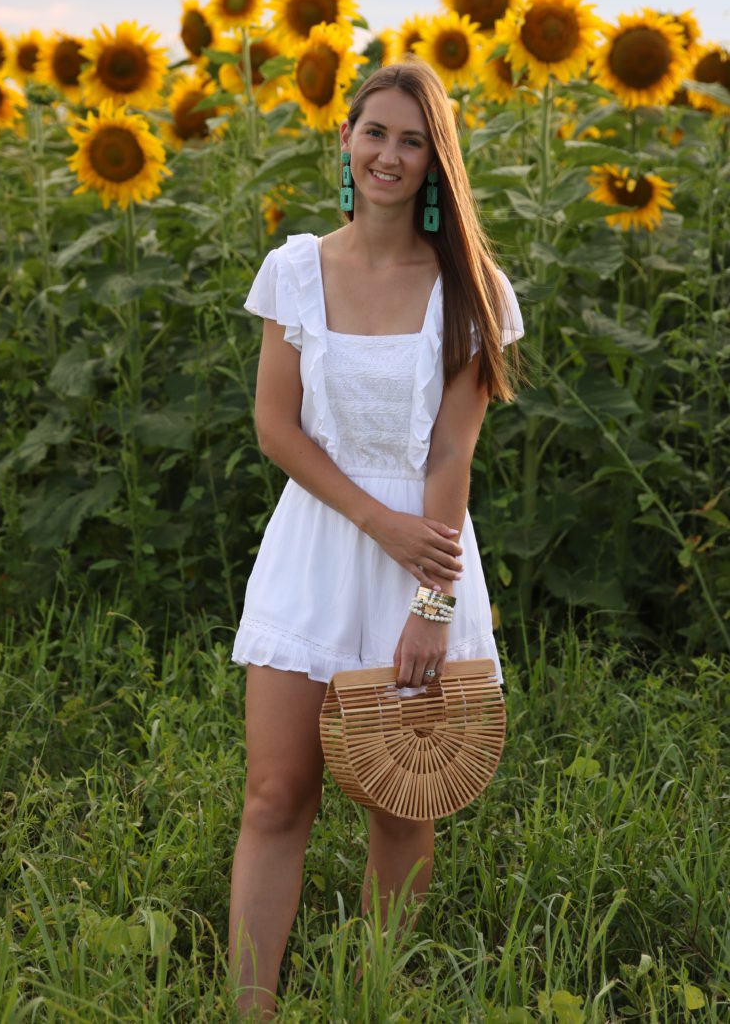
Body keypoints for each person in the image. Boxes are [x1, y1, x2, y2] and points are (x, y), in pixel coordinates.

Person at [227, 59, 523, 1016]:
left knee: (401, 806)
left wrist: (431, 604)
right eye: (375, 134)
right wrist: (373, 520)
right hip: (315, 551)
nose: (390, 155)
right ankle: (250, 1010)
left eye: (413, 140)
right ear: (344, 144)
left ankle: (372, 1002)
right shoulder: (296, 268)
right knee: (276, 796)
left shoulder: (469, 288)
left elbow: (452, 453)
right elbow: (276, 427)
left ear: (437, 162)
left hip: (427, 563)